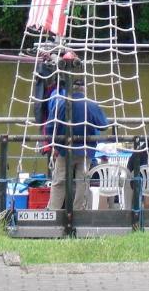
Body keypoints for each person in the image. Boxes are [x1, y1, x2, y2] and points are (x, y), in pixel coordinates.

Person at [45, 78, 109, 210]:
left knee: (59, 181)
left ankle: (53, 210)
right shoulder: (90, 105)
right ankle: (78, 211)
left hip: (64, 149)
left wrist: (56, 146)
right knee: (82, 182)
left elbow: (50, 127)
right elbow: (104, 125)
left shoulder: (61, 103)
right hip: (85, 150)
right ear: (85, 89)